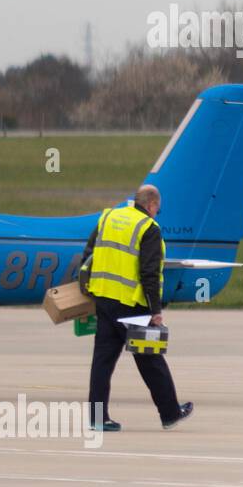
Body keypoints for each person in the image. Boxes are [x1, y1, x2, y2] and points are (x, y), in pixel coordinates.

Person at [82, 183, 193, 432]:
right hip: (133, 305)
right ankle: (170, 414)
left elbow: (89, 254)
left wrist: (90, 289)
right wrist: (156, 311)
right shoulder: (148, 228)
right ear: (152, 205)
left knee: (102, 363)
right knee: (151, 361)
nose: (156, 214)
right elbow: (149, 273)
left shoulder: (109, 217)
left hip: (105, 300)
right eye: (157, 210)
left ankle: (97, 418)